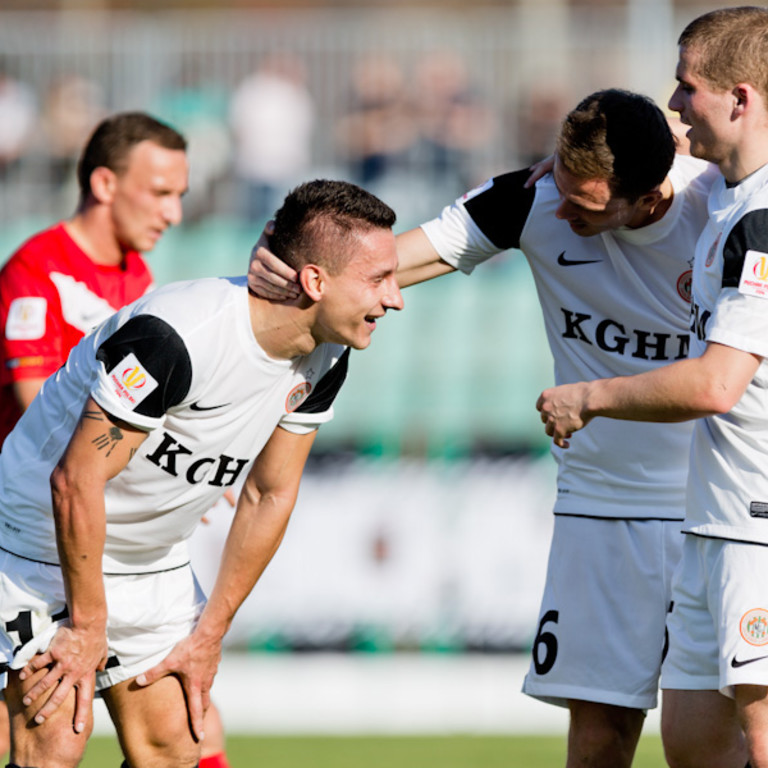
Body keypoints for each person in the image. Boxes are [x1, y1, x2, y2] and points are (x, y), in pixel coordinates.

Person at [248, 89, 719, 767]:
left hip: (717, 508)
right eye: (559, 186)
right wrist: (286, 263)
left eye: (585, 206)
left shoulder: (725, 204)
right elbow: (381, 267)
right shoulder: (528, 199)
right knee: (597, 738)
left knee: (704, 742)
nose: (561, 211)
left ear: (646, 199)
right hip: (602, 510)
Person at [0, 178, 403, 768]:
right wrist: (89, 627)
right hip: (39, 547)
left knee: (176, 746)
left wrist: (209, 633)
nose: (396, 298)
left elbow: (269, 494)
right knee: (55, 746)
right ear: (314, 282)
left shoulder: (328, 354)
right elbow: (74, 481)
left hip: (153, 561)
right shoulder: (177, 337)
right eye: (380, 279)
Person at [536, 7, 768, 767]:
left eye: (686, 89)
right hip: (712, 520)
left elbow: (716, 385)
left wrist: (589, 396)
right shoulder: (726, 195)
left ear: (740, 98)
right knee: (696, 747)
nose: (674, 105)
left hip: (756, 520)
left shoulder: (759, 219)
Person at [0, 111, 229, 768]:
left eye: (181, 194)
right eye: (161, 192)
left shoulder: (137, 284)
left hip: (101, 534)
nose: (175, 213)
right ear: (104, 182)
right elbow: (34, 411)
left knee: (187, 731)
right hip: (31, 542)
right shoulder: (36, 271)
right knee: (50, 739)